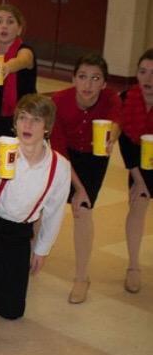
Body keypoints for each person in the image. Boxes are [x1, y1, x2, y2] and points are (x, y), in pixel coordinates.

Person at [0, 95, 71, 350]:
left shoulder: (59, 167)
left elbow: (55, 211)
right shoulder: (2, 145)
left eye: (36, 120)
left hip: (19, 229)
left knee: (12, 310)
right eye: (22, 118)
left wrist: (41, 249)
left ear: (47, 127)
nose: (27, 125)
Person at [51, 54, 122, 304]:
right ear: (73, 79)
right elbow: (59, 150)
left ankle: (82, 277)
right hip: (65, 155)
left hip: (94, 157)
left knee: (83, 210)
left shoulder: (111, 98)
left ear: (104, 83)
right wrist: (76, 187)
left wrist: (112, 135)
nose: (88, 85)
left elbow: (116, 121)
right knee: (45, 206)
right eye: (82, 77)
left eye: (95, 79)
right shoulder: (59, 101)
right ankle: (30, 258)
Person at [0, 4, 36, 151]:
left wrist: (8, 66)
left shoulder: (25, 51)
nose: (4, 26)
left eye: (10, 22)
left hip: (24, 117)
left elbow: (23, 60)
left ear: (19, 29)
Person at [118, 49, 153, 294]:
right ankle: (133, 266)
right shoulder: (126, 99)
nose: (148, 79)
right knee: (138, 204)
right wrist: (139, 180)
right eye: (143, 72)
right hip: (140, 163)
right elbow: (126, 144)